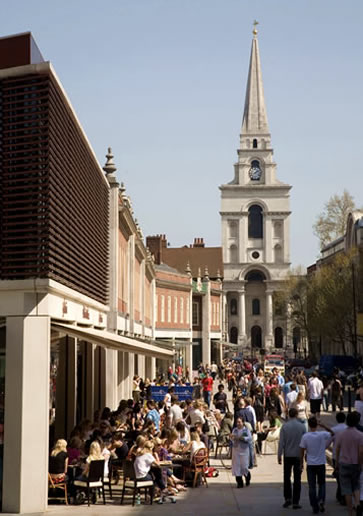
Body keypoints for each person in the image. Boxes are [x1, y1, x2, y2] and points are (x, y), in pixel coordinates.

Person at [299, 416, 333, 514]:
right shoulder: (322, 434)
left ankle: (314, 504)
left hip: (311, 464)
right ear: (316, 425)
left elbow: (301, 449)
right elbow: (332, 433)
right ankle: (321, 500)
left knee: (312, 486)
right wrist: (323, 425)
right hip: (321, 463)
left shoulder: (305, 436)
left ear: (309, 425)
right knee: (322, 484)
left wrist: (301, 462)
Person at [335, 411, 363, 516]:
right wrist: (360, 464)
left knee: (346, 489)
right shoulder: (360, 435)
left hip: (344, 463)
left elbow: (337, 449)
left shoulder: (341, 434)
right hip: (355, 464)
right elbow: (361, 452)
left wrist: (337, 463)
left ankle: (350, 512)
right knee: (356, 485)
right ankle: (357, 503)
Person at [278, 408, 306, 509]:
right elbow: (305, 442)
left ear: (289, 415)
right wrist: (306, 455)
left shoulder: (285, 427)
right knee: (297, 479)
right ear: (297, 414)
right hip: (298, 455)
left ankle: (287, 498)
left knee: (287, 477)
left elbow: (281, 442)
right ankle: (296, 501)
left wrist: (279, 455)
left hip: (288, 455)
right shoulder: (302, 427)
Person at [331, 412, 348, 505]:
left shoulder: (334, 429)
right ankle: (342, 495)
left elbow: (327, 443)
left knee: (339, 476)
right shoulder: (347, 429)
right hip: (347, 456)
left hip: (336, 456)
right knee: (345, 478)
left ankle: (341, 494)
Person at [231, 417, 252, 488]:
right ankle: (239, 483)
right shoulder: (235, 430)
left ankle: (247, 478)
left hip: (244, 450)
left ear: (243, 422)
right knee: (236, 467)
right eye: (237, 422)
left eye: (239, 422)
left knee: (244, 467)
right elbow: (232, 439)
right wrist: (232, 437)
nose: (238, 424)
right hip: (236, 450)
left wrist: (241, 438)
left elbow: (249, 438)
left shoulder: (245, 430)